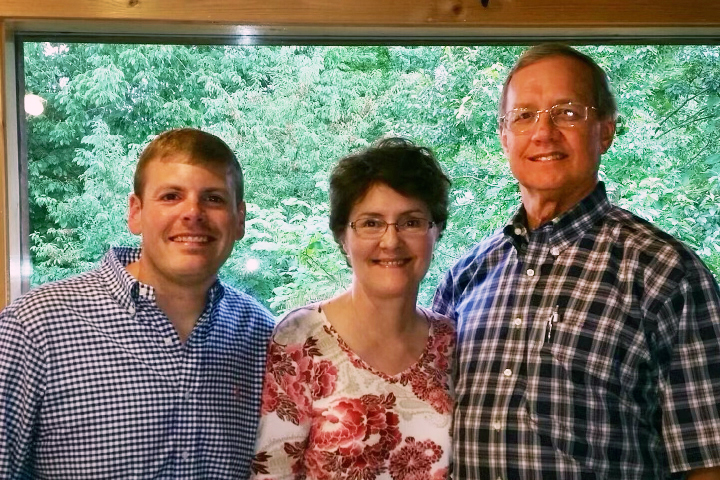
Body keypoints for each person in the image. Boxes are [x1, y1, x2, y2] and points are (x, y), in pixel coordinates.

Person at [433, 43, 720, 480]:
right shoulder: (466, 276)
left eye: (567, 112)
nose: (543, 132)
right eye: (524, 115)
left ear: (605, 130)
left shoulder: (667, 273)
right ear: (504, 136)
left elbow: (708, 461)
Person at [0, 128, 276, 478]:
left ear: (240, 220)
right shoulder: (34, 327)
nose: (193, 213)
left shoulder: (264, 337)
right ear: (136, 212)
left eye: (214, 199)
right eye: (171, 196)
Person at [250, 137, 454, 480]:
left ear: (437, 231)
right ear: (342, 237)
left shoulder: (451, 342)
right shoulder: (299, 338)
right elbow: (273, 473)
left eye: (412, 221)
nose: (391, 240)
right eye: (371, 222)